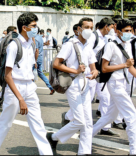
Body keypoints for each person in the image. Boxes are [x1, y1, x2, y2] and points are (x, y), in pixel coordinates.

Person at [0, 12, 53, 155]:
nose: (36, 29)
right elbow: (7, 75)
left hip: (29, 86)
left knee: (38, 125)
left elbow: (30, 65)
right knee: (5, 123)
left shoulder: (31, 43)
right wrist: (20, 98)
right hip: (14, 88)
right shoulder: (14, 45)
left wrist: (35, 51)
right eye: (33, 26)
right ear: (24, 28)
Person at [48, 17, 98, 155]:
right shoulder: (70, 44)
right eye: (86, 27)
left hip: (85, 84)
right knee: (80, 121)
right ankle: (53, 137)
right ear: (79, 29)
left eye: (91, 27)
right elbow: (56, 63)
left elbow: (93, 64)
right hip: (73, 84)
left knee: (88, 122)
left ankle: (84, 152)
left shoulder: (88, 45)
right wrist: (75, 71)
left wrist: (94, 71)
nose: (89, 30)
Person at [92, 19, 136, 155]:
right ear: (118, 31)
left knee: (109, 116)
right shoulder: (111, 45)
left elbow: (130, 68)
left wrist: (128, 66)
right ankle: (133, 150)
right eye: (126, 31)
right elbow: (104, 68)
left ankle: (86, 136)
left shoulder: (128, 44)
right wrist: (125, 65)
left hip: (123, 83)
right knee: (131, 115)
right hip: (114, 83)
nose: (129, 33)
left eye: (130, 31)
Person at [35, 26, 55, 95]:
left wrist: (34, 60)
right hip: (39, 58)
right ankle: (51, 87)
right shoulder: (40, 38)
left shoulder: (35, 39)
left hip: (36, 58)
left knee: (29, 74)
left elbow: (36, 50)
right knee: (40, 73)